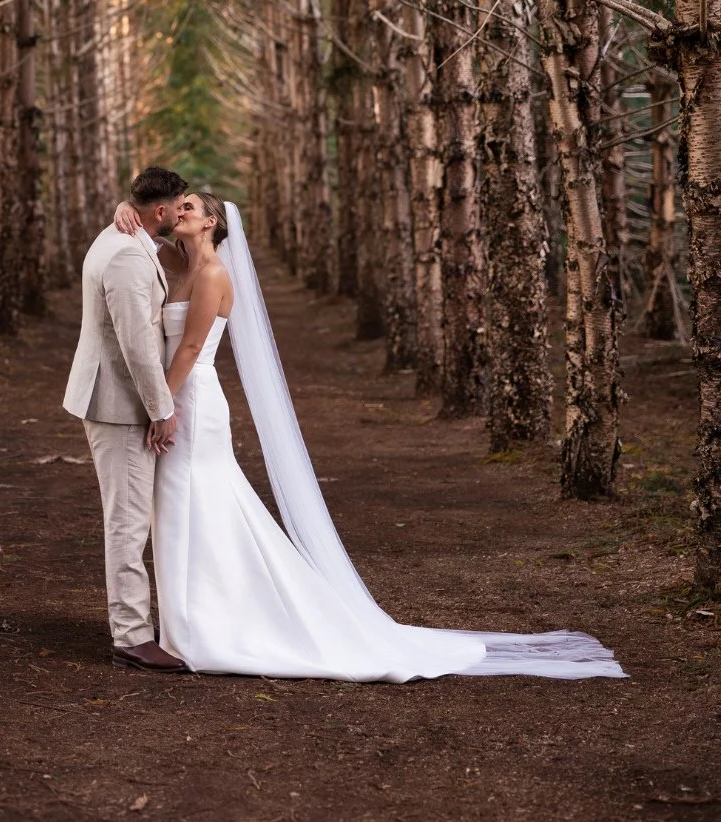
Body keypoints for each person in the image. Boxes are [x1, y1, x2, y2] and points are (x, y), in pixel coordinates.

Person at [111, 190, 627, 682]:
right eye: (176, 206)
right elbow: (141, 233)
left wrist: (161, 409)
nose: (178, 210)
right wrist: (124, 209)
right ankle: (197, 616)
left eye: (190, 206)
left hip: (192, 402)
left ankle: (213, 623)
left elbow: (190, 347)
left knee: (193, 505)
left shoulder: (213, 273)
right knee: (187, 509)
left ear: (212, 223)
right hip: (177, 398)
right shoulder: (178, 264)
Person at [62, 166, 188, 672]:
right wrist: (162, 410)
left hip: (114, 394)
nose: (182, 213)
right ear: (159, 211)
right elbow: (137, 345)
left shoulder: (124, 232)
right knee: (128, 519)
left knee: (131, 514)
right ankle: (131, 636)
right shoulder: (127, 257)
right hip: (117, 401)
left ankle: (133, 625)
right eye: (178, 207)